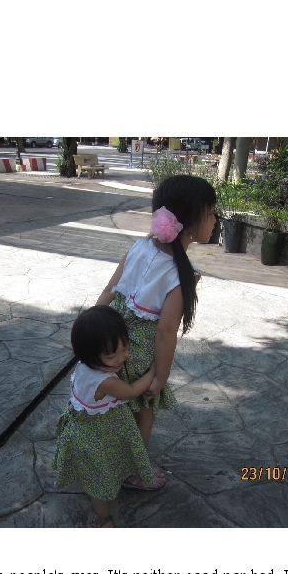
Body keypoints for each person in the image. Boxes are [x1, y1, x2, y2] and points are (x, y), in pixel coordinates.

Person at [95, 174, 217, 489]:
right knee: (144, 413)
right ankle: (131, 471)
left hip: (111, 340)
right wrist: (160, 377)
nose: (215, 220)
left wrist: (92, 330)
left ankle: (106, 455)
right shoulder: (180, 274)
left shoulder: (138, 246)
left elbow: (109, 290)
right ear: (190, 223)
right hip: (137, 355)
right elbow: (165, 332)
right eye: (211, 213)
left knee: (115, 405)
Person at [53, 307, 158, 527]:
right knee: (99, 480)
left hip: (84, 428)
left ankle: (120, 480)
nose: (121, 358)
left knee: (99, 471)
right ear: (90, 354)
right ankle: (102, 518)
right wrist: (153, 373)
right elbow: (132, 391)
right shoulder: (105, 381)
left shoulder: (84, 366)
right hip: (97, 436)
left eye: (125, 348)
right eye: (111, 356)